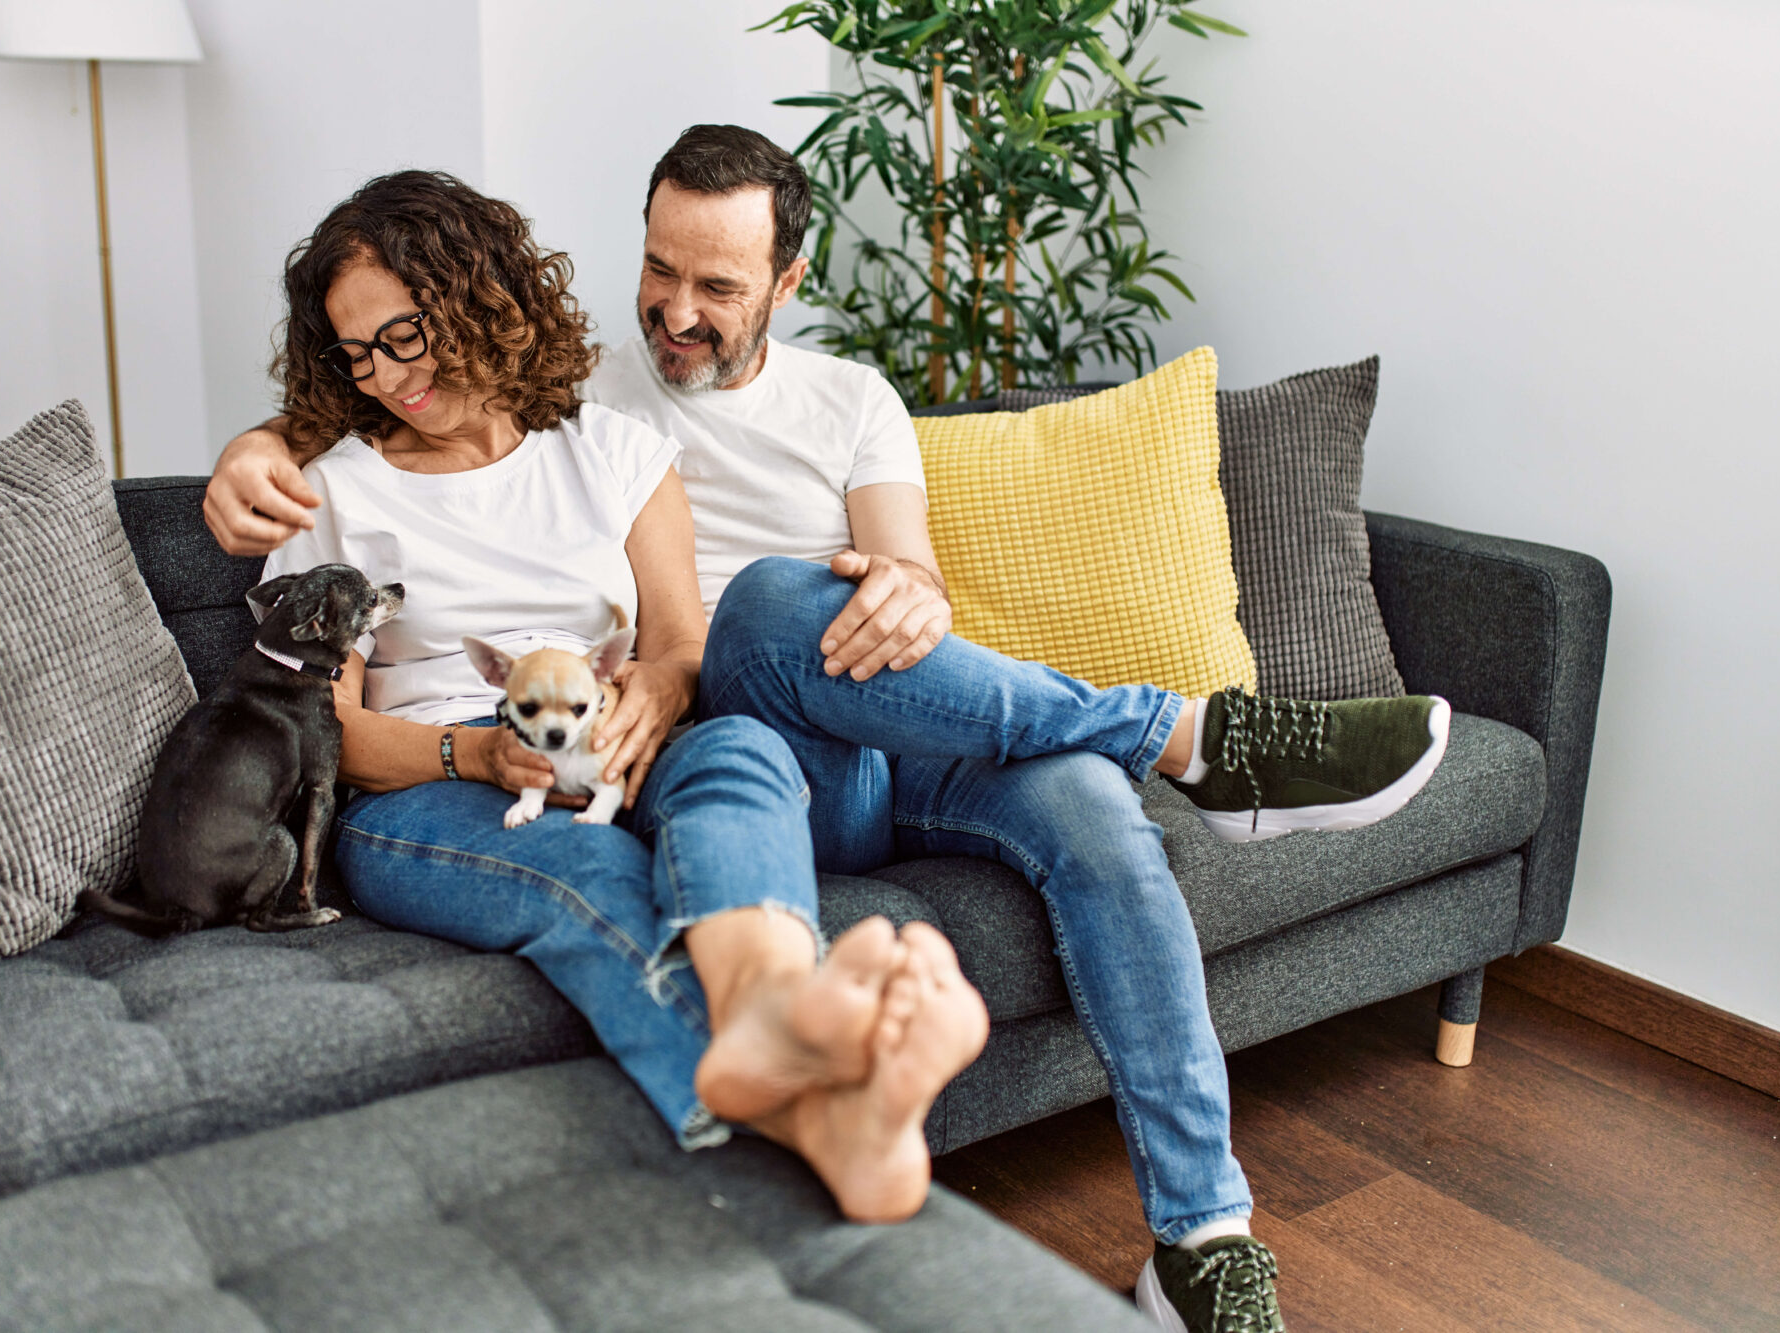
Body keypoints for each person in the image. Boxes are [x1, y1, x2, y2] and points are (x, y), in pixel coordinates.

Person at [207, 129, 1450, 1333]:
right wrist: (262, 440)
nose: (674, 310)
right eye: (656, 269)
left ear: (786, 282)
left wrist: (897, 593)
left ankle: (1203, 1239)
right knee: (736, 657)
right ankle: (1183, 736)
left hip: (861, 719)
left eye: (713, 285)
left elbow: (887, 591)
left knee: (1080, 802)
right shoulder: (561, 396)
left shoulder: (834, 404)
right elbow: (361, 551)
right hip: (638, 737)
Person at [248, 168, 988, 1226]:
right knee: (591, 861)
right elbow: (323, 734)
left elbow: (684, 643)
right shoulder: (327, 489)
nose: (385, 377)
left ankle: (775, 1018)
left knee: (742, 752)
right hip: (427, 784)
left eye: (404, 336)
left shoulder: (615, 452)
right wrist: (478, 757)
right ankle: (809, 1100)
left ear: (482, 295)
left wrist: (656, 686)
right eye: (357, 352)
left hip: (609, 742)